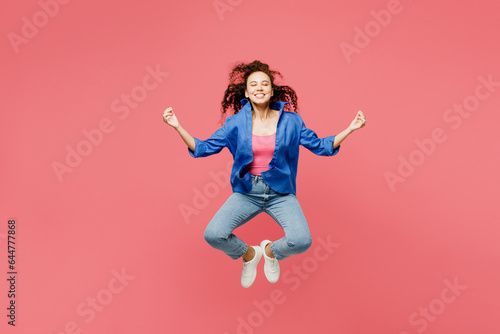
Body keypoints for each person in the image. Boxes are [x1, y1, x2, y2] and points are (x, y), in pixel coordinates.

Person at [163, 60, 366, 288]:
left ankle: (270, 251)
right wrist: (177, 126)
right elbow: (202, 148)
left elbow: (321, 146)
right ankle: (249, 254)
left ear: (272, 91)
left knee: (301, 241)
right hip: (248, 191)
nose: (259, 88)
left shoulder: (291, 122)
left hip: (280, 192)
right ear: (247, 92)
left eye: (265, 84)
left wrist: (350, 129)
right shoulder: (235, 124)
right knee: (213, 234)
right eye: (254, 85)